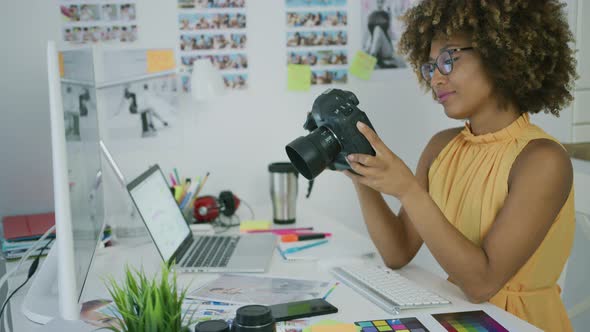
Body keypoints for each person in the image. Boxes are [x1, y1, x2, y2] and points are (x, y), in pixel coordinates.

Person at [345, 1, 577, 331]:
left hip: (519, 324)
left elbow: (482, 284)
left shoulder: (542, 160)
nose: (436, 78)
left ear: (500, 55)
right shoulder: (442, 147)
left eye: (448, 59)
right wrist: (361, 175)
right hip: (459, 318)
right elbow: (397, 252)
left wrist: (408, 189)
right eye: (429, 67)